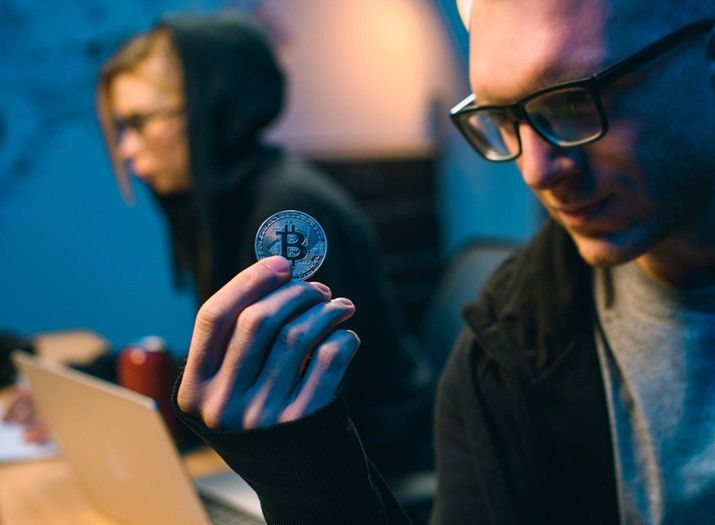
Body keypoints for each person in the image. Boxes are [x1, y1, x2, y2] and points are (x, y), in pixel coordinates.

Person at [171, 0, 715, 525]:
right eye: (503, 119)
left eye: (573, 102)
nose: (539, 168)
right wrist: (308, 477)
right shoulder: (505, 361)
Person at [9, 14, 435, 482]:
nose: (128, 149)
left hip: (373, 478)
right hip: (315, 466)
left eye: (138, 122)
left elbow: (274, 390)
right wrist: (88, 384)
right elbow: (231, 362)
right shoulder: (231, 204)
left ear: (211, 106)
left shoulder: (285, 215)